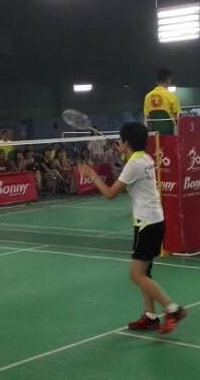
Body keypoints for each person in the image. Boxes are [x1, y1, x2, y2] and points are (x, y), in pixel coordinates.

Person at [78, 122, 186, 334]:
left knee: (136, 275)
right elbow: (129, 164)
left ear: (127, 142)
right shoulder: (144, 158)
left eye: (120, 139)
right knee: (145, 273)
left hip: (147, 224)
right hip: (153, 221)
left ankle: (173, 309)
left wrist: (92, 175)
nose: (118, 142)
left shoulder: (134, 164)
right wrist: (122, 151)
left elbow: (110, 194)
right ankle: (150, 317)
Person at [143, 68, 180, 137]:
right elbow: (178, 117)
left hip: (155, 135)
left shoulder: (148, 97)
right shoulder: (172, 96)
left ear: (156, 81)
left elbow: (147, 119)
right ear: (168, 80)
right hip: (170, 134)